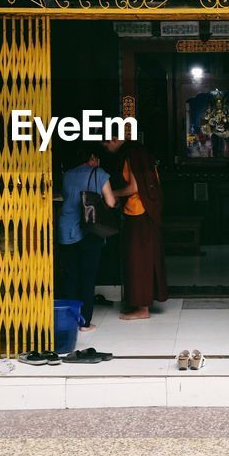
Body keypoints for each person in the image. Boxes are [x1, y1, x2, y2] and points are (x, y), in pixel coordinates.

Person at [103, 136, 168, 320]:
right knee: (145, 258)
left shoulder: (131, 154)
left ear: (114, 139)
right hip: (146, 211)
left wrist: (110, 193)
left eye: (106, 144)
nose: (106, 149)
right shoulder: (140, 151)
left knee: (138, 259)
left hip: (138, 212)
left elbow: (133, 187)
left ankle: (142, 308)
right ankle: (144, 304)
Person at [57, 143, 117, 332]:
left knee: (69, 276)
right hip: (89, 230)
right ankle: (85, 322)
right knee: (87, 276)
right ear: (92, 158)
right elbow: (111, 201)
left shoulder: (67, 175)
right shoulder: (100, 174)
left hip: (66, 229)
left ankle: (69, 321)